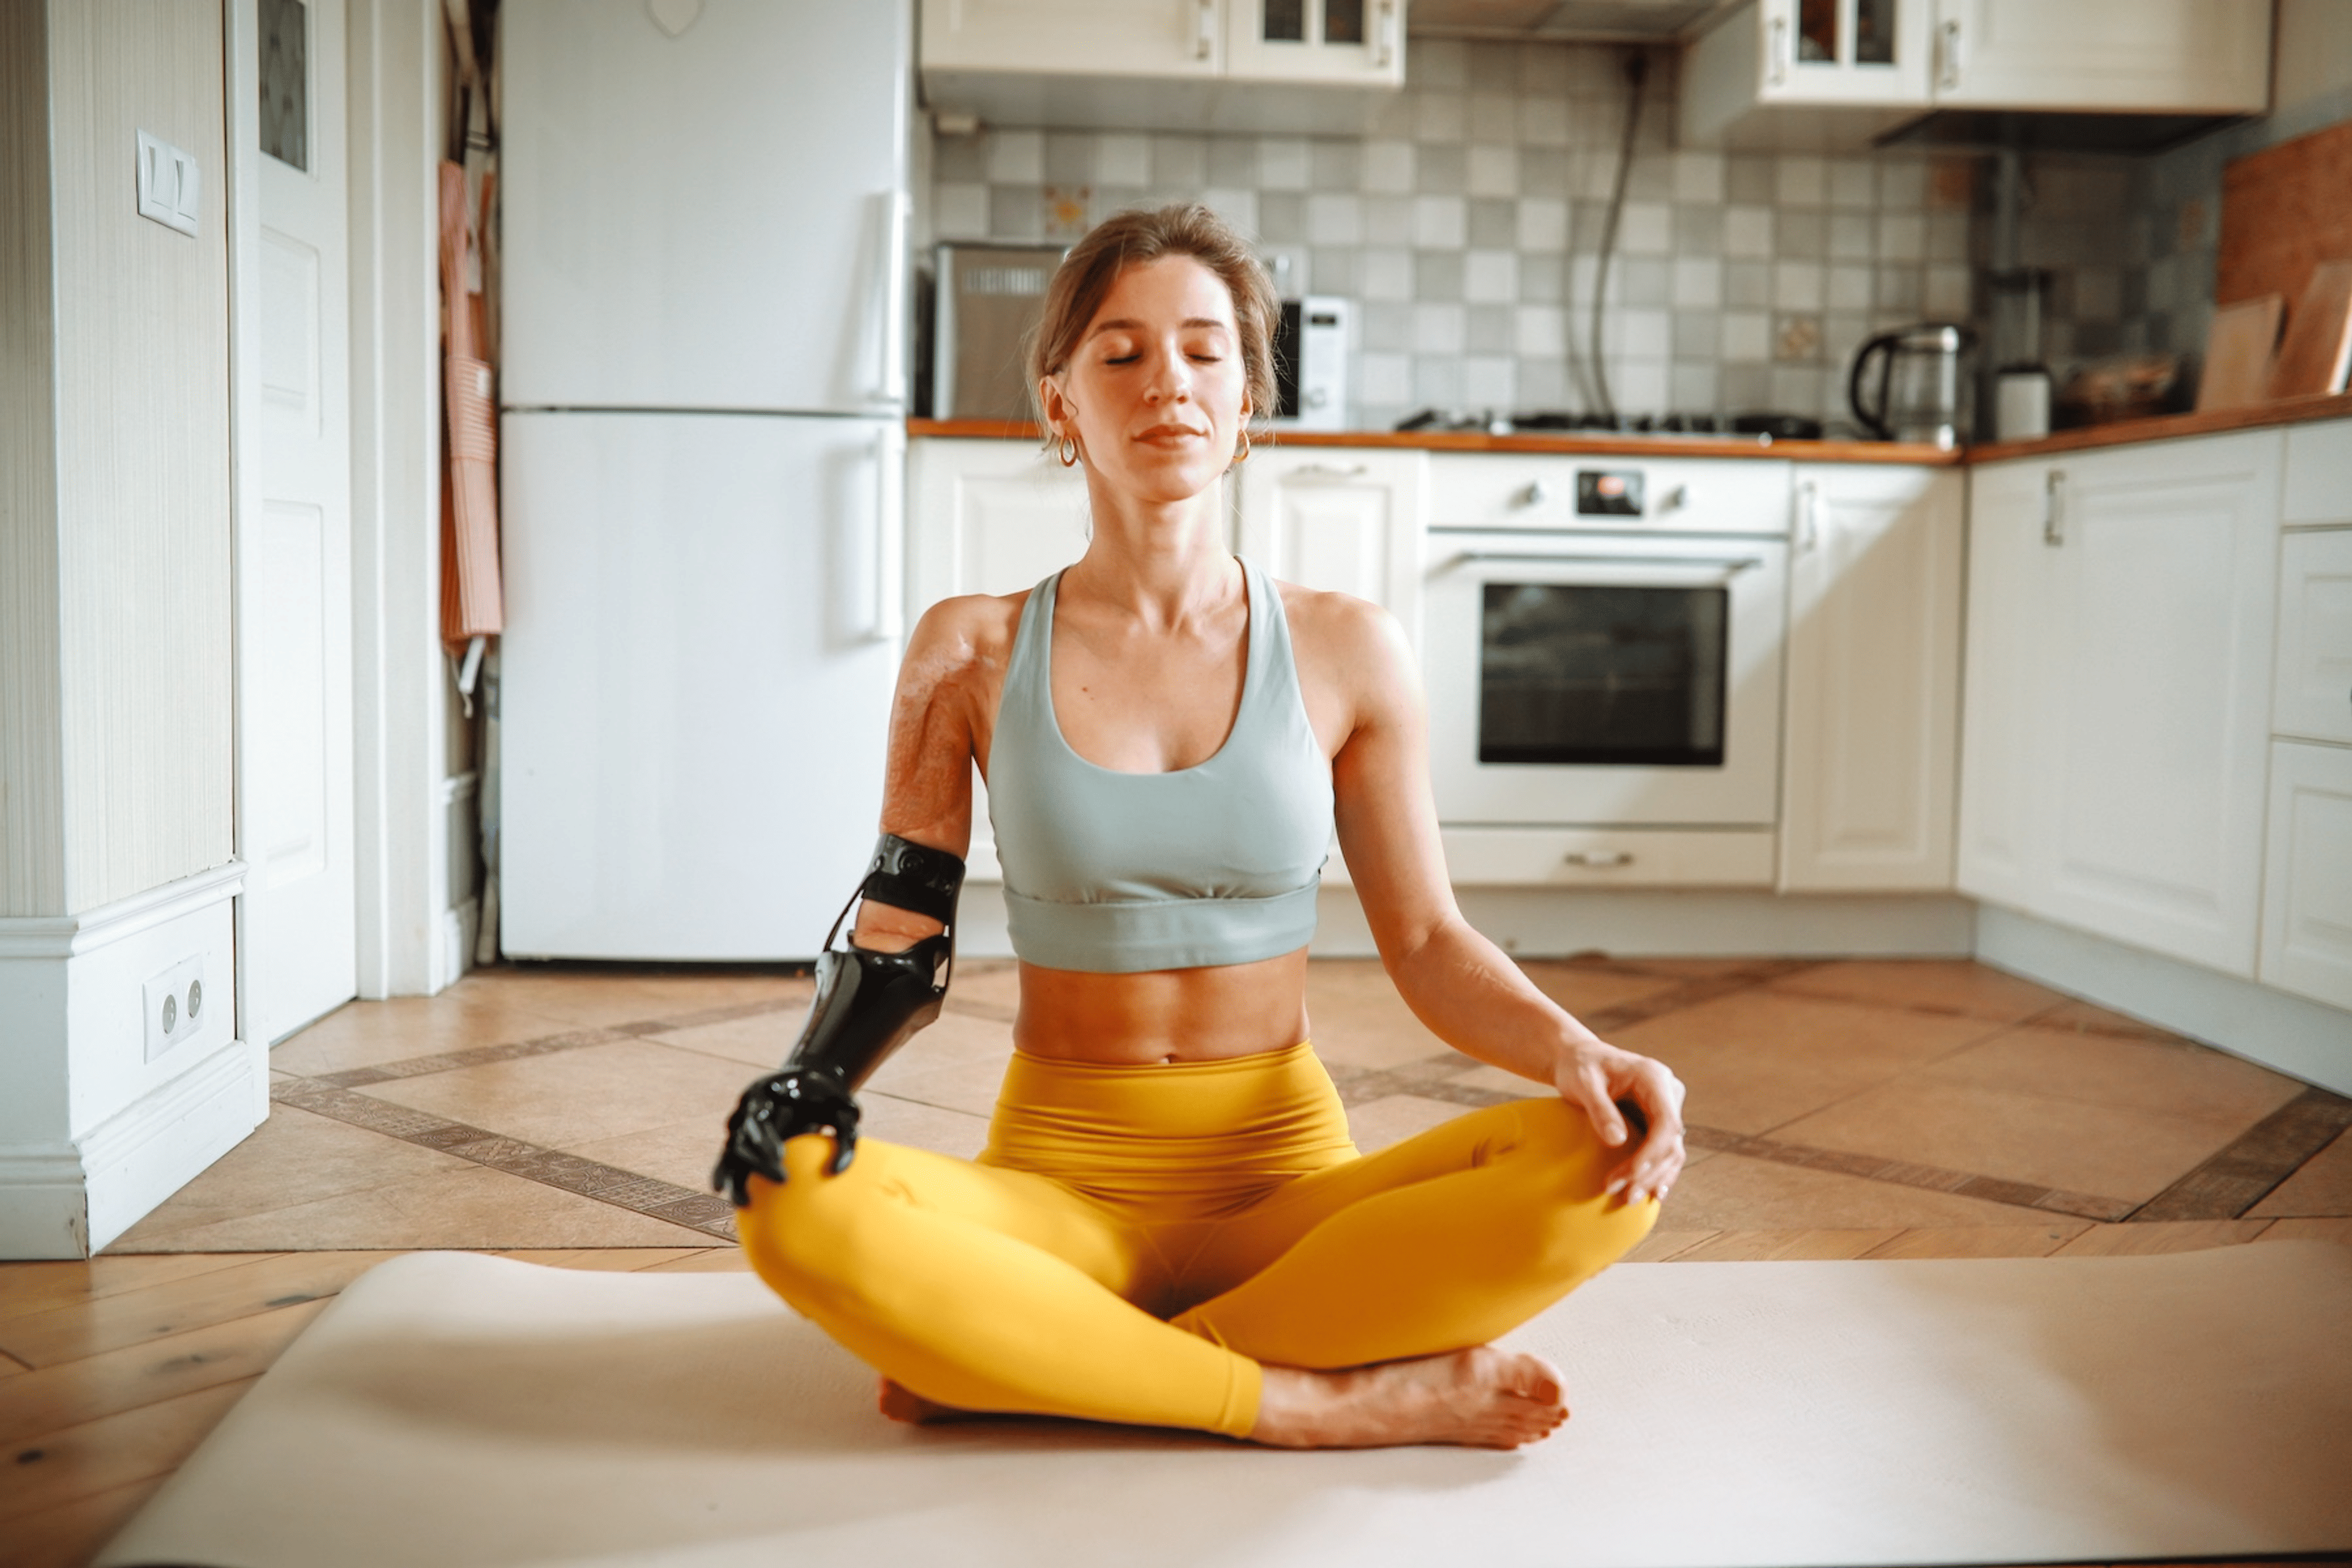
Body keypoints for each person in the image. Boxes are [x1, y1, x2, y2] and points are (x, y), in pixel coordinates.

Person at [715, 203, 1686, 1451]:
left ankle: (1037, 1358)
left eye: (1202, 349)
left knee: (1604, 1159)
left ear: (1247, 397)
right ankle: (1305, 1392)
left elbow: (1432, 941)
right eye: (1119, 353)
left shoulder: (1347, 648)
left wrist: (1577, 1047)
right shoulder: (970, 648)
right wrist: (811, 1077)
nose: (1164, 381)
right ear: (1061, 402)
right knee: (786, 1198)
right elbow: (902, 932)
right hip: (1054, 1187)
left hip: (1285, 1186)